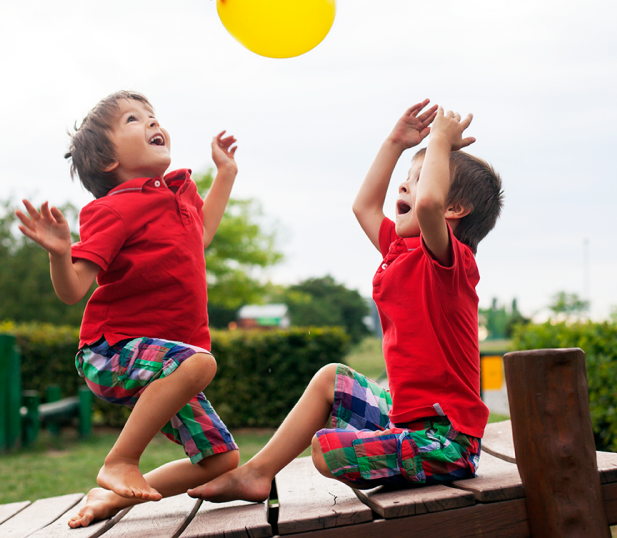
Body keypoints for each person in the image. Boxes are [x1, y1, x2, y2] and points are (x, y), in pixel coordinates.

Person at [187, 98, 503, 503]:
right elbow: (364, 206)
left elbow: (428, 205)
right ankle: (257, 473)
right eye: (407, 177)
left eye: (419, 177)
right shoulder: (399, 251)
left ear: (454, 208)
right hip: (406, 421)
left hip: (447, 442)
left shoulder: (452, 264)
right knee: (330, 379)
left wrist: (441, 141)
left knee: (327, 450)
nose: (405, 186)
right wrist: (396, 142)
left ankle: (395, 455)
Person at [15, 90, 240, 527]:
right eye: (135, 120)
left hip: (169, 365)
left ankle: (112, 497)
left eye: (154, 116)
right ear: (107, 162)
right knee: (199, 364)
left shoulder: (178, 194)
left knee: (221, 460)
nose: (154, 124)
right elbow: (73, 289)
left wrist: (225, 174)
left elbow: (202, 235)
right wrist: (61, 254)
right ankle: (119, 460)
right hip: (111, 351)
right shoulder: (113, 210)